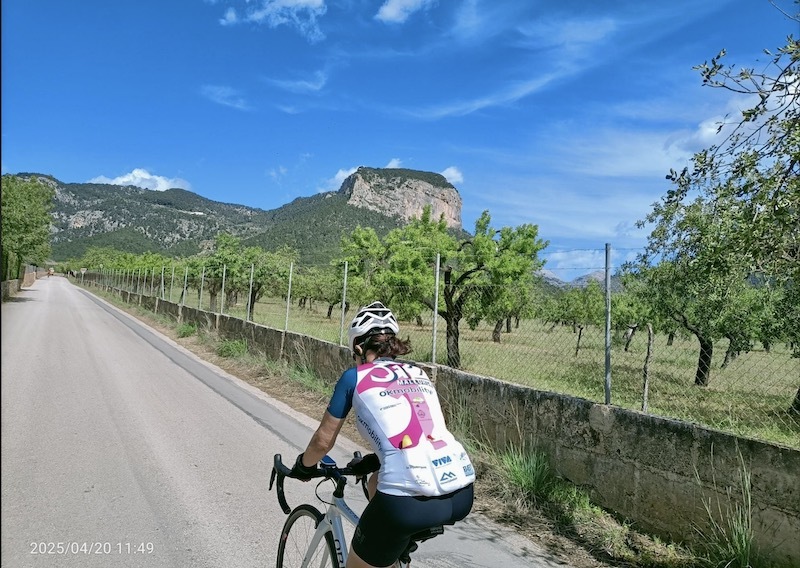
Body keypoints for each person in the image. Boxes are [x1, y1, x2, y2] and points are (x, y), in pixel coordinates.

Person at [290, 301, 476, 568]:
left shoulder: (353, 377)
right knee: (375, 481)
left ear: (358, 347)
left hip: (406, 507)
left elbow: (322, 442)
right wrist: (375, 460)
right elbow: (419, 435)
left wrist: (303, 466)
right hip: (461, 493)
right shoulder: (419, 373)